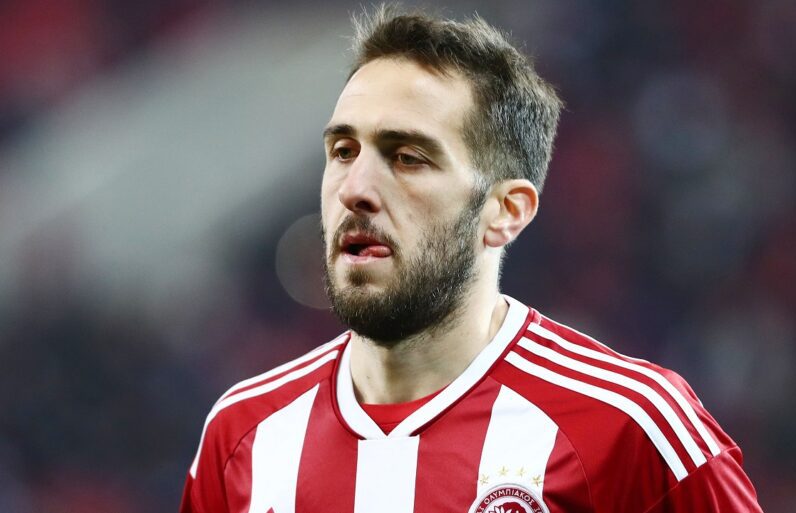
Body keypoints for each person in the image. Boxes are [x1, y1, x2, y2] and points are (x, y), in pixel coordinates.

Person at [180, 6, 763, 513]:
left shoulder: (631, 426)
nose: (355, 188)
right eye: (343, 150)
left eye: (407, 157)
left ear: (505, 211)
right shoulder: (242, 434)